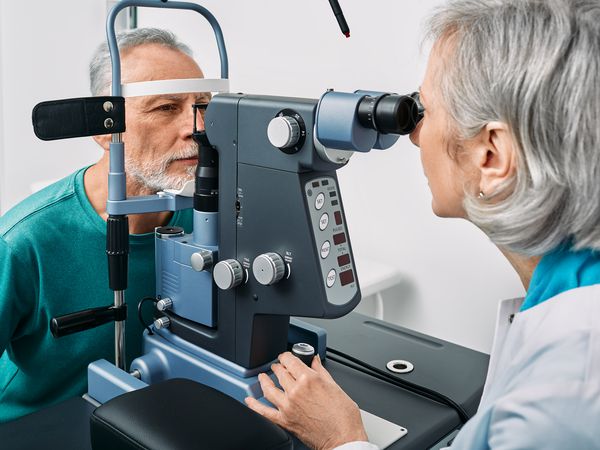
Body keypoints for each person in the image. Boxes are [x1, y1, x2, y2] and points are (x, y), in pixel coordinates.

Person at [246, 0, 600, 448]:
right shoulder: (570, 291)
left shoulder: (564, 398)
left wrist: (343, 439)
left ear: (491, 156)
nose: (413, 134)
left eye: (425, 110)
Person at [0, 28, 210, 422]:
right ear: (103, 128)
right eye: (166, 107)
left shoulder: (208, 219)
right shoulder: (22, 241)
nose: (196, 127)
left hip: (154, 418)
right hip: (37, 426)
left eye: (203, 105)